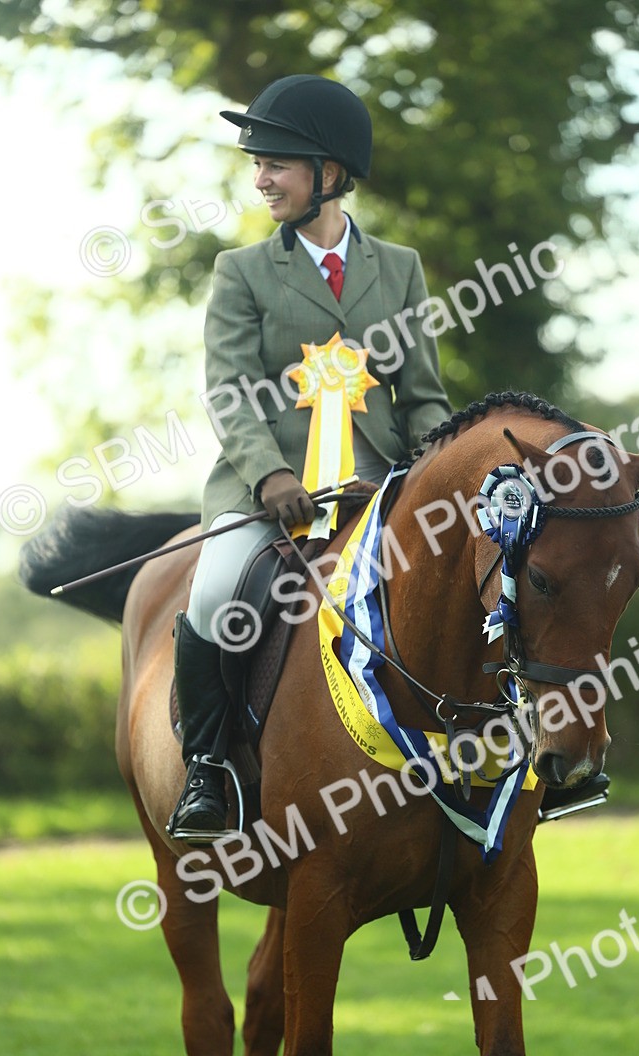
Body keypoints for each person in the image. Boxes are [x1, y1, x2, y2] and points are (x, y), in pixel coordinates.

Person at [169, 74, 453, 839]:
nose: (261, 179)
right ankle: (206, 771)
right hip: (267, 494)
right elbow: (229, 391)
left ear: (330, 174)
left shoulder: (399, 268)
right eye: (258, 166)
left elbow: (423, 394)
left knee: (484, 578)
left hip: (379, 491)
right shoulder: (243, 272)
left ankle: (511, 754)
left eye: (277, 164)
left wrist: (432, 467)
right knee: (213, 591)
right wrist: (271, 475)